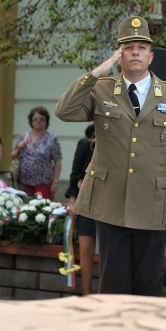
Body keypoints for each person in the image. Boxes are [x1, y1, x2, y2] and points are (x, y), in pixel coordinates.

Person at [54, 16, 166, 297]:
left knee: (148, 287)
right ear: (119, 55)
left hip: (154, 207)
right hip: (111, 204)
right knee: (113, 286)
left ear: (150, 56)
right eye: (128, 47)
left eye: (141, 47)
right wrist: (95, 73)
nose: (135, 52)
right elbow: (64, 111)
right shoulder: (100, 89)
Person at [65, 124, 97, 296]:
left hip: (111, 204)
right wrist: (72, 200)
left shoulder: (119, 144)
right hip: (86, 203)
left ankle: (107, 296)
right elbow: (75, 172)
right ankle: (86, 294)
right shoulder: (85, 145)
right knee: (85, 249)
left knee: (109, 253)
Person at [11, 107, 62, 200]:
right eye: (35, 119)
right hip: (24, 181)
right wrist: (19, 147)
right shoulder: (24, 136)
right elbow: (13, 156)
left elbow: (57, 161)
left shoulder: (52, 138)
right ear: (31, 121)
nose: (38, 121)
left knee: (42, 210)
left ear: (46, 121)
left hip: (43, 182)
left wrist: (55, 181)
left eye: (41, 119)